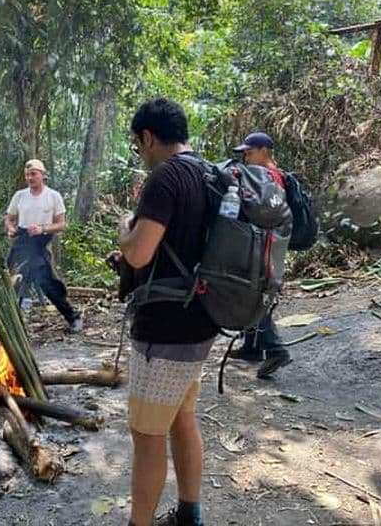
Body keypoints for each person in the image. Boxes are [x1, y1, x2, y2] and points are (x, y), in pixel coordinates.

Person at [119, 98, 218, 526]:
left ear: (148, 137)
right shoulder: (208, 172)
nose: (140, 155)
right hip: (201, 319)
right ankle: (189, 514)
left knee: (147, 435)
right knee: (181, 418)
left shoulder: (165, 177)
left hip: (165, 329)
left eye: (137, 146)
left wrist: (124, 230)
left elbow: (139, 252)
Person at [227, 132, 292, 378]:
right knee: (252, 290)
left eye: (250, 152)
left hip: (266, 244)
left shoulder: (269, 176)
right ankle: (252, 347)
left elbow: (265, 212)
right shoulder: (268, 175)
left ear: (265, 151)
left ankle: (276, 349)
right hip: (266, 242)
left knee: (256, 294)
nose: (246, 157)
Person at [4, 159, 83, 334]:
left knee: (47, 283)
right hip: (21, 242)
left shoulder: (53, 196)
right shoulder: (20, 195)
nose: (30, 178)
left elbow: (61, 224)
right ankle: (5, 324)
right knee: (9, 280)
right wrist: (10, 228)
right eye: (27, 175)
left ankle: (73, 318)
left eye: (33, 174)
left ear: (42, 175)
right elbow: (9, 218)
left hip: (40, 242)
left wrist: (42, 228)